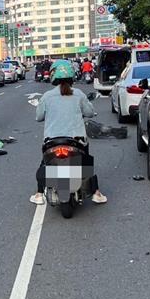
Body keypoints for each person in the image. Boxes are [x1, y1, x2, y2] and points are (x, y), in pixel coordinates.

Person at [30, 60, 107, 205]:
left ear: (53, 75)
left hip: (51, 141)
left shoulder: (47, 96)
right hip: (76, 140)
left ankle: (39, 194)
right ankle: (96, 192)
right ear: (72, 76)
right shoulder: (78, 94)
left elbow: (38, 117)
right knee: (86, 161)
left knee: (45, 163)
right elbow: (90, 113)